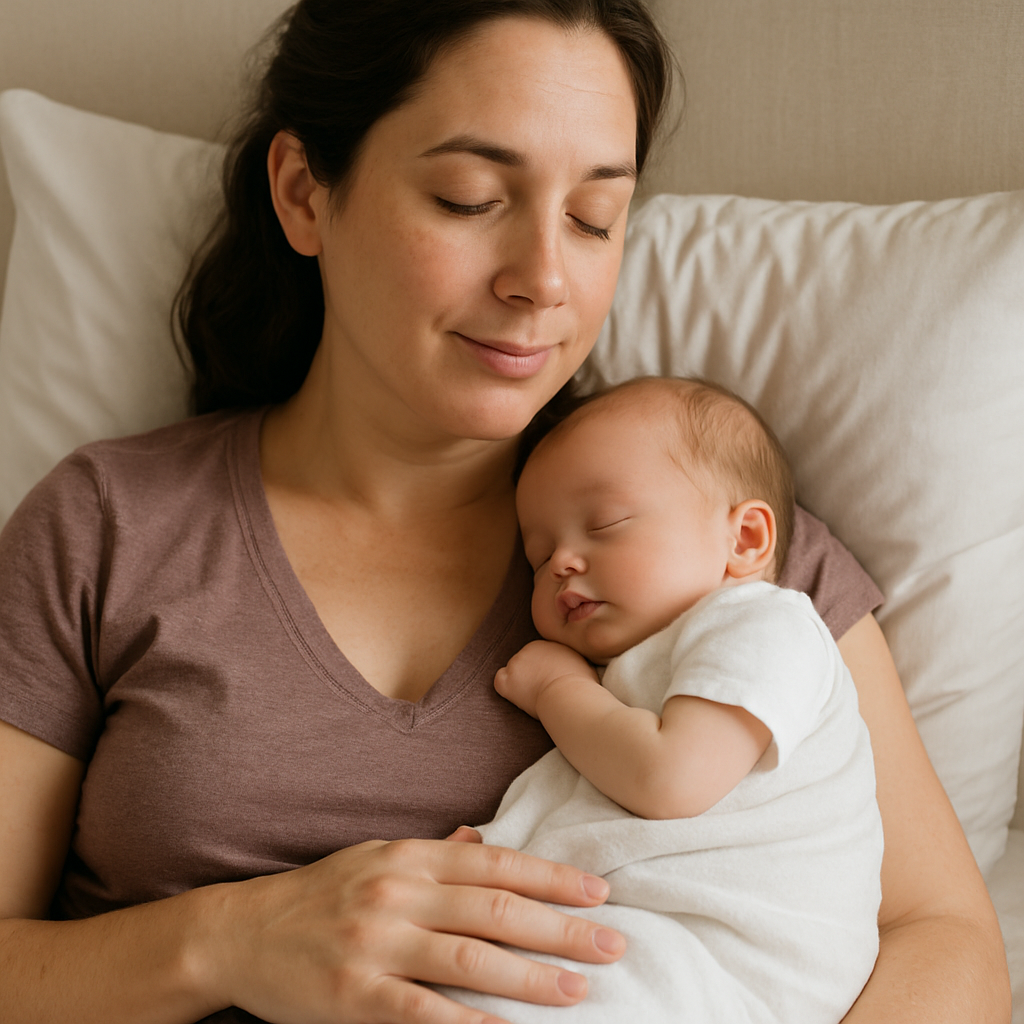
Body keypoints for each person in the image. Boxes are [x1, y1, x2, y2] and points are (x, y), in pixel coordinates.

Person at [0, 2, 1009, 1023]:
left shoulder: (714, 546)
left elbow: (945, 943)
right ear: (306, 194)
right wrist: (222, 940)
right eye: (469, 196)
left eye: (592, 219)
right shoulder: (108, 527)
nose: (543, 279)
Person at [438, 376, 883, 1023]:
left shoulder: (767, 625)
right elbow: (598, 806)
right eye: (537, 556)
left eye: (605, 524)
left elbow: (668, 779)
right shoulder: (635, 671)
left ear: (747, 540)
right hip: (653, 937)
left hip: (724, 956)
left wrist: (559, 690)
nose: (562, 560)